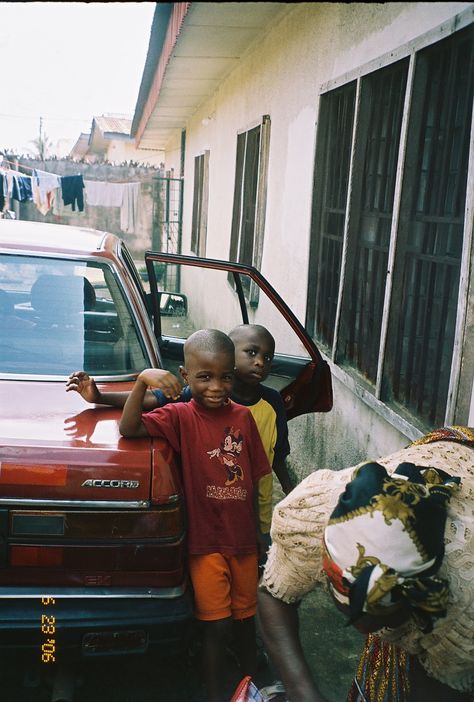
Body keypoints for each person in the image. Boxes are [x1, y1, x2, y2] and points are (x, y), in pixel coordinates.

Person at [257, 426, 474, 702]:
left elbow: (438, 687)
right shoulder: (316, 520)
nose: (364, 630)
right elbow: (272, 595)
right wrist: (303, 693)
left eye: (386, 615)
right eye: (350, 611)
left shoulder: (463, 602)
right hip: (436, 452)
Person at [118, 329, 272, 702]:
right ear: (186, 377)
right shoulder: (180, 417)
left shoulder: (244, 418)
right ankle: (216, 694)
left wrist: (257, 533)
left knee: (246, 624)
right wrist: (142, 381)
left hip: (243, 543)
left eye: (225, 377)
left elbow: (252, 480)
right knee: (216, 628)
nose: (217, 387)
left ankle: (254, 690)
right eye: (205, 377)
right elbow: (129, 426)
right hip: (205, 545)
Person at [65, 323, 295, 558]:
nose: (260, 362)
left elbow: (278, 454)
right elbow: (150, 400)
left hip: (258, 514)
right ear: (229, 355)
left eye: (268, 357)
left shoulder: (272, 402)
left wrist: (292, 492)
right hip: (209, 518)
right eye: (252, 352)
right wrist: (100, 396)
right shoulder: (200, 395)